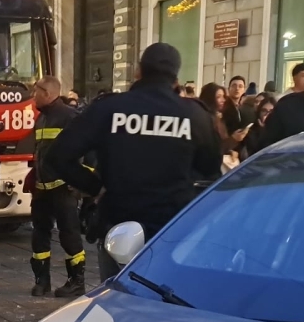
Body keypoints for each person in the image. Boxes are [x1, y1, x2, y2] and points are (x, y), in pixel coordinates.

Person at [45, 43, 221, 280]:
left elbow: (58, 156)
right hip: (172, 228)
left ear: (138, 71)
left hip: (119, 224)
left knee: (118, 294)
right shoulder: (195, 115)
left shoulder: (109, 108)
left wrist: (95, 186)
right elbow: (211, 171)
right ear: (176, 78)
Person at [25, 75, 85, 297]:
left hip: (63, 188)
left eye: (36, 91)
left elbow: (86, 151)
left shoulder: (70, 117)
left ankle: (76, 281)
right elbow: (41, 151)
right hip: (42, 188)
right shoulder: (42, 118)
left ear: (47, 93)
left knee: (69, 235)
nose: (33, 96)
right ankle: (42, 281)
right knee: (39, 235)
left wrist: (78, 182)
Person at [240, 94, 275, 160]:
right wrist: (262, 131)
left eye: (271, 111)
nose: (267, 114)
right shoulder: (251, 131)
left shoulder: (281, 131)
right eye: (264, 111)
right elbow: (254, 152)